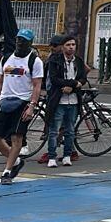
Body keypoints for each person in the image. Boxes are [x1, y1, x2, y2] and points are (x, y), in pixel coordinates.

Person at [0, 33, 43, 184]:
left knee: (16, 138)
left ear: (30, 43)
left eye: (24, 41)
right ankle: (16, 161)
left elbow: (37, 85)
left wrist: (32, 106)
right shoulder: (6, 59)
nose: (19, 43)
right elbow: (0, 81)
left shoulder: (35, 61)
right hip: (5, 101)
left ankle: (7, 171)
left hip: (23, 102)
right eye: (18, 40)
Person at [40, 35, 88, 167]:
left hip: (73, 100)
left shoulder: (78, 61)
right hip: (58, 99)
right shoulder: (55, 60)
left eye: (73, 45)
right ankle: (51, 156)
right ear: (62, 47)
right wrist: (73, 83)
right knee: (54, 130)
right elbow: (54, 79)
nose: (71, 47)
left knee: (70, 130)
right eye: (68, 45)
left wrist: (73, 87)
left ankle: (67, 155)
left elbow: (83, 78)